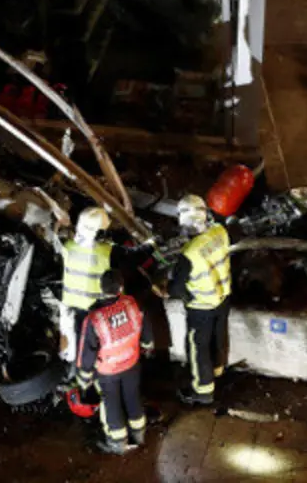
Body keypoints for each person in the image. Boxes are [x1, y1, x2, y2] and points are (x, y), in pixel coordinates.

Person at [77, 269, 154, 455]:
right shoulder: (133, 304)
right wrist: (147, 347)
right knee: (132, 396)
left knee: (111, 403)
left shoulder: (94, 318)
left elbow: (87, 353)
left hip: (108, 371)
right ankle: (139, 434)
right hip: (131, 363)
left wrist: (84, 379)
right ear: (121, 287)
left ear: (101, 288)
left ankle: (118, 442)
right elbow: (146, 332)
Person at [169, 194, 231, 405]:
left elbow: (176, 288)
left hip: (201, 307)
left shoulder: (189, 253)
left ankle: (202, 391)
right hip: (222, 299)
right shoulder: (220, 231)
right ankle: (218, 369)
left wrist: (178, 294)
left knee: (198, 348)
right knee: (219, 336)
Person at [61, 207, 114, 363]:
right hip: (94, 308)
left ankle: (77, 372)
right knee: (94, 346)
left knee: (75, 346)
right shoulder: (107, 251)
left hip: (71, 306)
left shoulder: (68, 247)